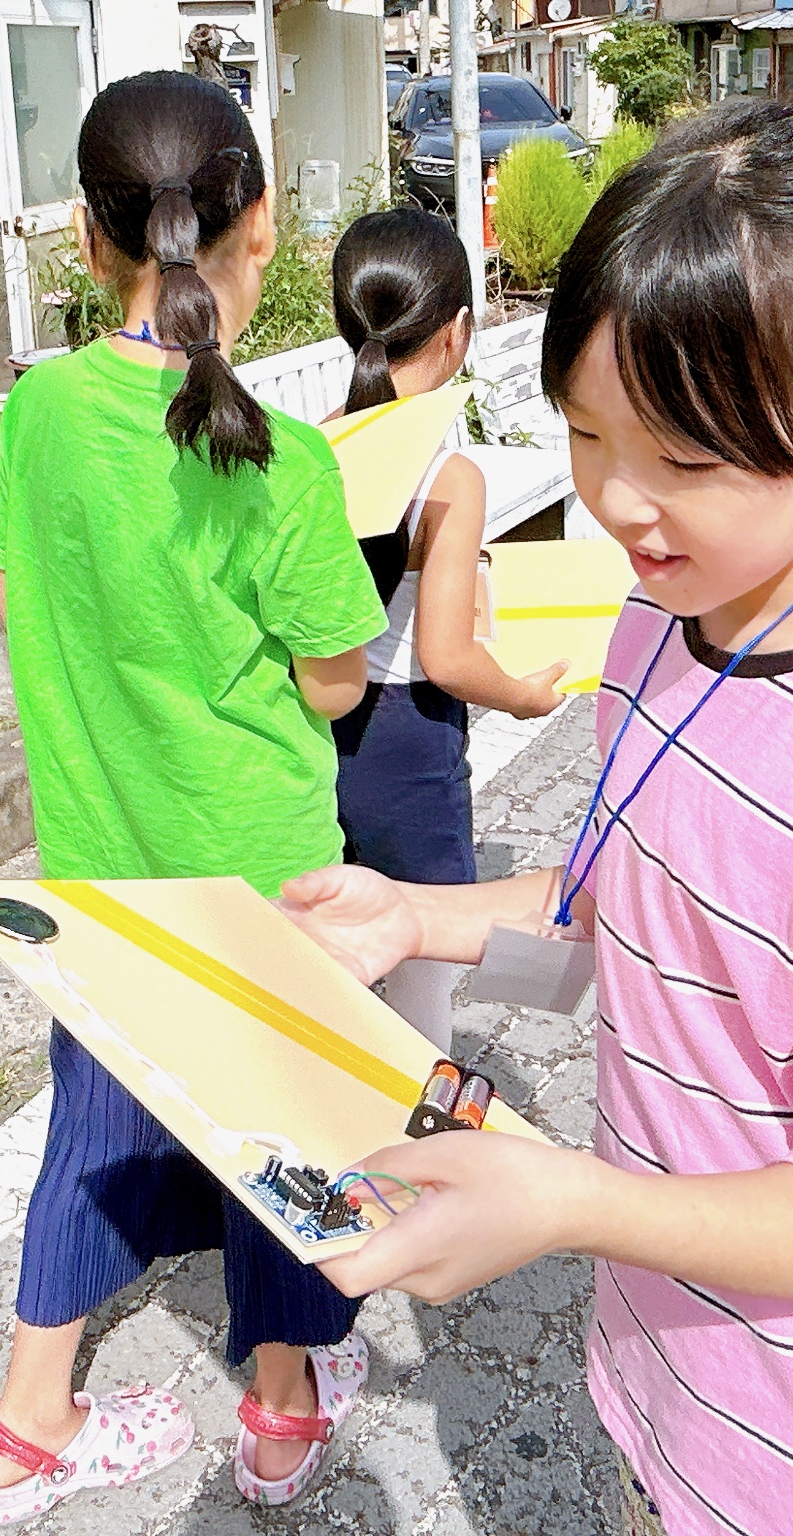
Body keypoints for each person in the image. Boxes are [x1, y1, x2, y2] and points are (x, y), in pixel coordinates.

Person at [283, 96, 793, 1536]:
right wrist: (416, 916)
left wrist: (565, 1201)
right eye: (588, 436)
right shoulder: (664, 627)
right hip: (677, 1397)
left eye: (689, 460)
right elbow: (617, 905)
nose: (622, 507)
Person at [0, 73, 385, 1520]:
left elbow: (21, 592)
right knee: (289, 1138)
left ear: (87, 247)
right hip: (264, 877)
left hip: (99, 870)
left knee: (91, 1137)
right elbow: (335, 685)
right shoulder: (290, 463)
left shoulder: (36, 416)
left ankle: (26, 1426)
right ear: (258, 229)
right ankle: (279, 1414)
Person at [324, 208, 570, 1049]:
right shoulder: (449, 476)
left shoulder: (310, 445)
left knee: (335, 931)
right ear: (459, 333)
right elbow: (448, 654)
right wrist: (526, 698)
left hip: (319, 726)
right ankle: (418, 1130)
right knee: (420, 949)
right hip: (408, 737)